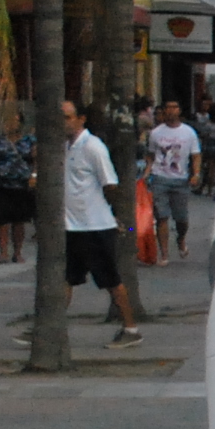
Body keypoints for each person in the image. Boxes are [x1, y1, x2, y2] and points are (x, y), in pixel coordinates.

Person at [57, 98, 141, 346]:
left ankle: (131, 328)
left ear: (81, 119)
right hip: (72, 226)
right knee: (65, 278)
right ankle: (51, 324)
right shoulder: (64, 147)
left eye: (67, 117)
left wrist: (120, 218)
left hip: (94, 227)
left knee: (110, 280)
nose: (62, 123)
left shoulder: (93, 147)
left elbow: (110, 185)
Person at [144, 100, 202, 263]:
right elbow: (151, 155)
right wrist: (147, 173)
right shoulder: (156, 133)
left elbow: (196, 155)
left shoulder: (189, 133)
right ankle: (164, 254)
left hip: (181, 179)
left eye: (174, 107)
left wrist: (196, 174)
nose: (171, 111)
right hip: (160, 177)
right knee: (161, 217)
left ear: (179, 110)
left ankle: (181, 239)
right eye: (168, 108)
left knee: (181, 219)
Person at [0, 110, 33, 264]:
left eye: (15, 120)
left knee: (19, 220)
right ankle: (3, 252)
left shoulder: (28, 141)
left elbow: (36, 160)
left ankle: (17, 252)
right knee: (1, 219)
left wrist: (34, 176)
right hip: (0, 184)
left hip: (21, 186)